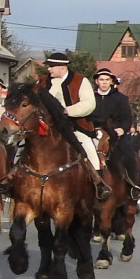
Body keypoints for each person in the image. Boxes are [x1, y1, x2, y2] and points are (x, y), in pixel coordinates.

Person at [41, 52, 108, 200]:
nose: (49, 70)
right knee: (22, 146)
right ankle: (11, 179)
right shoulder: (43, 82)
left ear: (62, 67)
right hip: (48, 128)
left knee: (90, 152)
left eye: (51, 66)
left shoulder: (80, 81)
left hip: (75, 127)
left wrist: (67, 111)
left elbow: (89, 104)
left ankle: (99, 185)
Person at [90, 68, 138, 196]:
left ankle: (133, 186)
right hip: (94, 133)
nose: (104, 83)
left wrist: (122, 129)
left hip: (115, 133)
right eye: (101, 80)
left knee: (129, 155)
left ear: (111, 81)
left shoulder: (121, 98)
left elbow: (127, 117)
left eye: (107, 80)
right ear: (96, 81)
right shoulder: (90, 97)